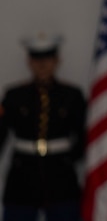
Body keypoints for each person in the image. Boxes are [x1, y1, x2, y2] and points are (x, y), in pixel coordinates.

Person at [0, 32, 86, 221]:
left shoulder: (72, 95)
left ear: (57, 61)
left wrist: (70, 159)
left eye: (47, 58)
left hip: (61, 176)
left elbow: (83, 136)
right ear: (29, 62)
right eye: (36, 58)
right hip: (22, 176)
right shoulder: (14, 96)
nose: (42, 64)